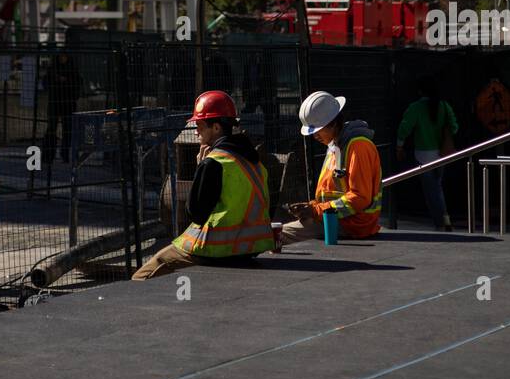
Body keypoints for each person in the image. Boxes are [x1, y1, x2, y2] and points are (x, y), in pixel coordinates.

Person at [131, 89, 274, 280]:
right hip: (250, 248)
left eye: (199, 125)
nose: (196, 131)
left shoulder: (214, 162)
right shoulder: (253, 162)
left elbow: (194, 214)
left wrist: (200, 169)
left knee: (145, 273)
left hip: (217, 251)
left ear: (216, 128)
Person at [281, 90, 382, 244]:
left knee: (277, 235)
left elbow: (360, 197)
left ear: (333, 123)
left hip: (352, 224)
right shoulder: (336, 146)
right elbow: (334, 192)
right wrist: (312, 207)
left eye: (317, 130)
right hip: (339, 219)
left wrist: (316, 211)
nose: (314, 136)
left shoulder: (358, 147)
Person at [396, 76, 458, 232]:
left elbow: (405, 128)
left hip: (423, 154)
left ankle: (441, 222)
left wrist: (399, 146)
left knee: (431, 190)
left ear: (420, 91)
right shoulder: (444, 106)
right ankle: (445, 219)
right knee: (437, 187)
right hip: (443, 153)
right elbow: (455, 127)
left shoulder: (415, 107)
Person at [43, 51, 82, 163]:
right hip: (55, 102)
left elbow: (77, 84)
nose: (62, 59)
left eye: (64, 57)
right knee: (51, 129)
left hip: (68, 103)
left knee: (67, 130)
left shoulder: (72, 70)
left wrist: (66, 83)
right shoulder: (53, 69)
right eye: (60, 57)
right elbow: (46, 82)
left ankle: (64, 154)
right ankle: (49, 154)